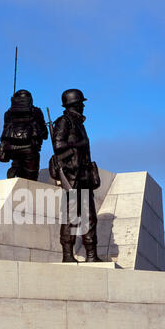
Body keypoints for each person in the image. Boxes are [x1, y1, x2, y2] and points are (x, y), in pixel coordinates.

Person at [50, 88, 102, 263]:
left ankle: (91, 255)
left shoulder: (78, 123)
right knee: (71, 216)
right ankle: (67, 255)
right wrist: (81, 143)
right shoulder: (64, 122)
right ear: (75, 104)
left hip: (83, 175)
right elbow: (58, 145)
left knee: (89, 217)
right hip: (72, 176)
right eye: (81, 103)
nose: (83, 106)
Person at [0, 89, 48, 181]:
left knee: (17, 163)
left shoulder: (8, 113)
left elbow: (5, 129)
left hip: (11, 148)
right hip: (30, 148)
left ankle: (15, 168)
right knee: (31, 176)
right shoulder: (36, 111)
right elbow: (44, 133)